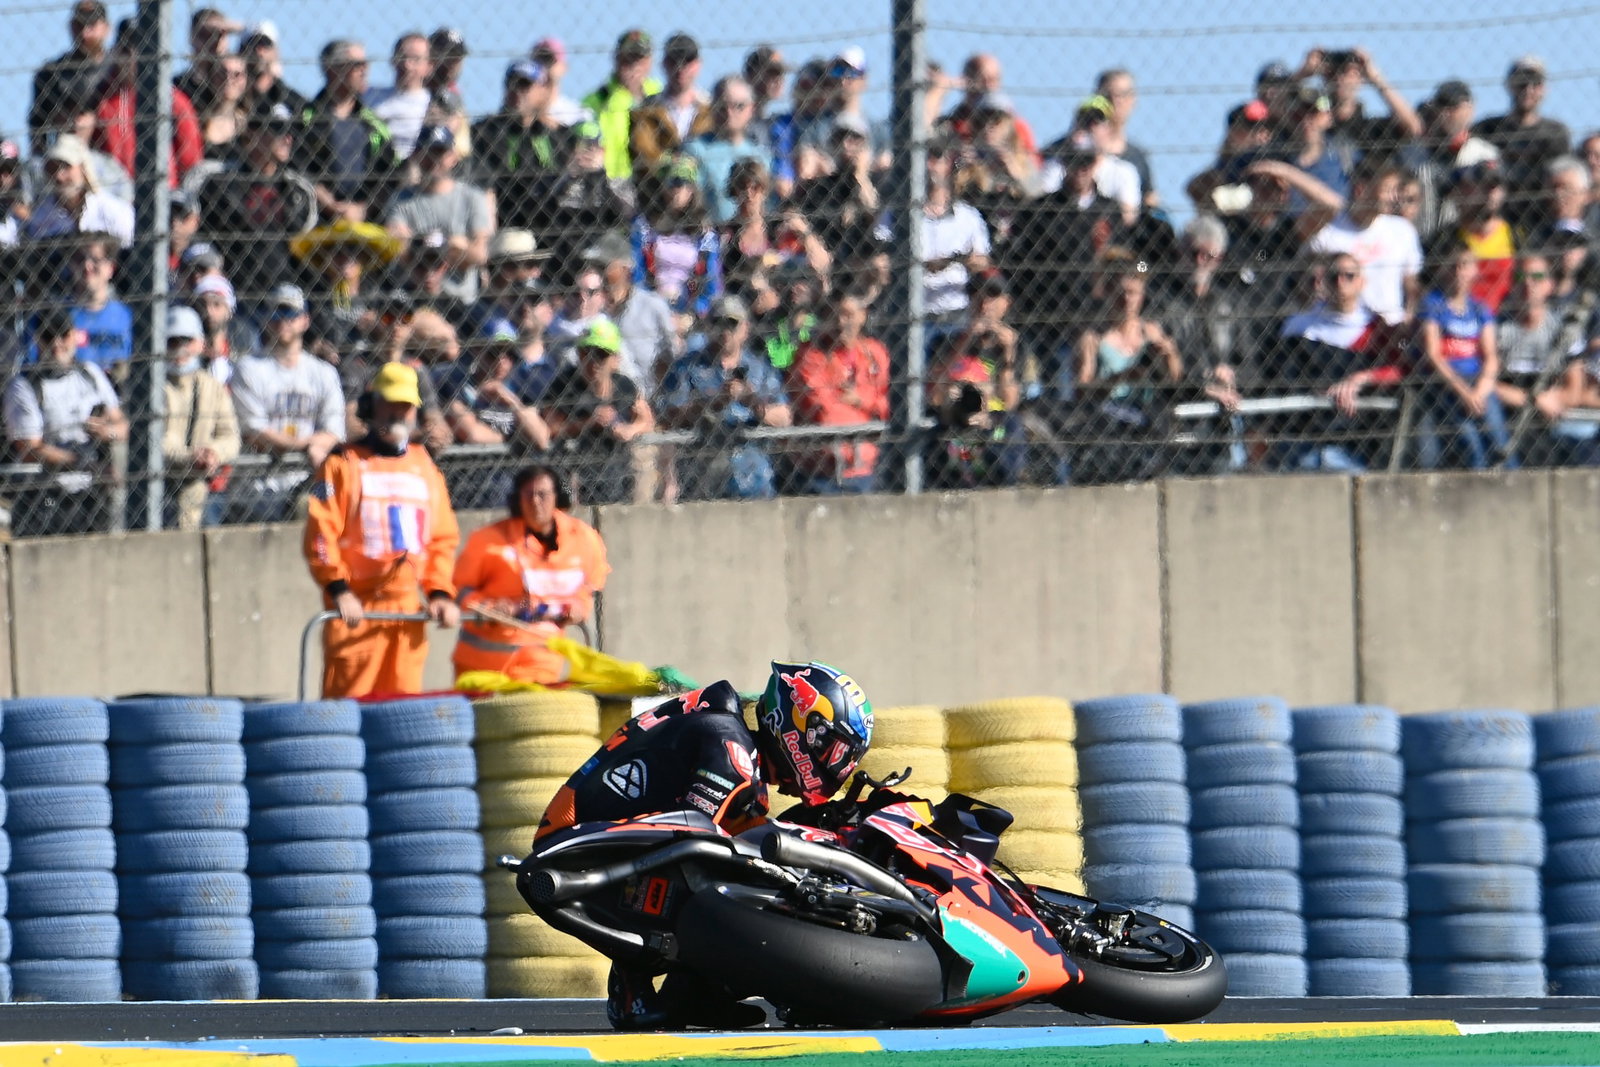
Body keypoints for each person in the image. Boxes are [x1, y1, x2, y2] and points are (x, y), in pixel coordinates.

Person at [533, 658, 874, 1031]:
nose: (837, 767)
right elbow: (695, 833)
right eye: (836, 753)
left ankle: (694, 996)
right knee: (741, 863)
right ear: (803, 727)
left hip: (600, 842)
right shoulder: (730, 744)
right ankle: (638, 989)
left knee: (749, 849)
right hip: (580, 849)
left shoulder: (733, 739)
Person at [304, 361, 460, 699]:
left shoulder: (425, 467)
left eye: (404, 407)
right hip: (356, 611)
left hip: (408, 616)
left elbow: (442, 541)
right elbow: (321, 533)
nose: (396, 415)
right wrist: (339, 589)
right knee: (350, 711)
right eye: (389, 405)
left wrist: (439, 594)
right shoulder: (342, 465)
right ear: (371, 407)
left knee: (401, 715)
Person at [451, 463, 607, 685]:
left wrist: (579, 607)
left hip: (542, 662)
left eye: (542, 494)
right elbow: (459, 591)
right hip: (482, 666)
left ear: (557, 497)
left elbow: (589, 587)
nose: (535, 501)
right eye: (528, 495)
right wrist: (488, 608)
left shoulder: (584, 539)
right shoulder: (487, 540)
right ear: (517, 500)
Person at [224, 283, 345, 523]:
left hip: (305, 483)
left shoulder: (323, 372)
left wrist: (314, 443)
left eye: (290, 313)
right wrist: (306, 445)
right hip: (256, 488)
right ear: (266, 319)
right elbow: (255, 432)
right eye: (276, 313)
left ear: (305, 321)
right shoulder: (249, 368)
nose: (283, 320)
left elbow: (334, 431)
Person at [3, 306, 126, 537]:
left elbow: (122, 426)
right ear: (38, 339)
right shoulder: (24, 386)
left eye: (64, 334)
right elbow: (29, 448)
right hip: (46, 496)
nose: (57, 343)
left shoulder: (89, 373)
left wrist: (106, 431)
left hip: (92, 493)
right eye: (49, 336)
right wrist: (81, 462)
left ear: (74, 335)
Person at [658, 294, 791, 500]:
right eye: (718, 322)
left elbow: (784, 418)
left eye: (732, 323)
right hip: (703, 475)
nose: (725, 330)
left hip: (755, 478)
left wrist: (752, 402)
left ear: (745, 328)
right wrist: (711, 403)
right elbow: (669, 416)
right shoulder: (687, 367)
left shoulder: (760, 368)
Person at [1415, 242, 1513, 469]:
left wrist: (1479, 391)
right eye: (1453, 266)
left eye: (1465, 265)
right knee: (1471, 444)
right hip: (1449, 386)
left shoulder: (1480, 309)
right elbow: (1433, 354)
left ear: (1475, 270)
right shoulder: (1433, 304)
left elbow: (1490, 356)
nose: (1459, 271)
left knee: (1499, 442)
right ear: (1442, 269)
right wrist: (1463, 393)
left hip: (1479, 383)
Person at [543, 319, 655, 504]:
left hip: (616, 465)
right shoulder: (564, 385)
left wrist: (629, 430)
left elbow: (647, 420)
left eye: (601, 354)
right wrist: (587, 423)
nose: (593, 361)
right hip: (575, 464)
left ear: (615, 360)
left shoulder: (624, 385)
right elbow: (549, 428)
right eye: (586, 353)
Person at [790, 290, 891, 493]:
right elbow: (824, 411)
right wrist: (869, 412)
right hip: (823, 468)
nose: (840, 322)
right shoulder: (810, 355)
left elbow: (889, 405)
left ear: (862, 315)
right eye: (833, 315)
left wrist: (861, 400)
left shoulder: (874, 353)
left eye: (847, 315)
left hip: (869, 467)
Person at [385, 124, 493, 305]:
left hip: (461, 301)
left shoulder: (472, 197)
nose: (433, 159)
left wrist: (421, 248)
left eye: (439, 152)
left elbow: (480, 255)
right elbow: (399, 249)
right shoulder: (401, 200)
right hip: (412, 300)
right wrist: (456, 246)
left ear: (453, 157)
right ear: (415, 155)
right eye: (427, 152)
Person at [1308, 157, 1422, 325]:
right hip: (1340, 327)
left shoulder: (1403, 230)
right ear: (1361, 190)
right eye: (1388, 190)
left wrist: (1409, 318)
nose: (1395, 198)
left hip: (1389, 331)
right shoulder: (1328, 232)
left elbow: (1411, 284)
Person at [298, 39, 400, 225]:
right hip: (317, 221)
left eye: (366, 64)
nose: (365, 70)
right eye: (357, 65)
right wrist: (328, 203)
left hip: (366, 223)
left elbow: (389, 174)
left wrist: (363, 208)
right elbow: (298, 165)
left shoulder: (375, 124)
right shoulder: (305, 118)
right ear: (332, 69)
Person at [161, 303, 240, 529]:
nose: (180, 349)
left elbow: (231, 437)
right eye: (173, 342)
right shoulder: (153, 387)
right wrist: (189, 456)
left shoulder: (212, 387)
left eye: (187, 341)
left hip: (203, 479)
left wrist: (213, 453)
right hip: (160, 479)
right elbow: (155, 440)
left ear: (200, 344)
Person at [1473, 55, 1572, 232]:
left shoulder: (1556, 133)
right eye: (1522, 83)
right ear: (1509, 86)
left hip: (1542, 220)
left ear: (1544, 89)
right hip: (1495, 218)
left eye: (1536, 84)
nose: (1528, 89)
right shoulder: (1487, 129)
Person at [29, 0, 111, 155]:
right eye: (79, 24)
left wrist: (97, 118)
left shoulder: (119, 69)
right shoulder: (51, 74)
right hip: (69, 159)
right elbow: (37, 134)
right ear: (71, 26)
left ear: (107, 28)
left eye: (92, 24)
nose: (85, 33)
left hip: (113, 152)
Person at [683, 76, 766, 225]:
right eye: (722, 106)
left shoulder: (762, 155)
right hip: (709, 233)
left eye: (739, 106)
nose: (729, 112)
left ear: (752, 109)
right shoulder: (695, 150)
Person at [583, 29, 663, 181]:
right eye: (628, 58)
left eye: (640, 58)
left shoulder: (660, 94)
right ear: (616, 59)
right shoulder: (596, 101)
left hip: (654, 183)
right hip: (612, 184)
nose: (634, 65)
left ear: (650, 62)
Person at [363, 32, 433, 160]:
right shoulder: (369, 96)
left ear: (429, 66)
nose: (407, 65)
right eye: (402, 57)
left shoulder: (432, 104)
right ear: (393, 60)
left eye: (415, 59)